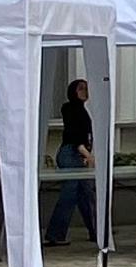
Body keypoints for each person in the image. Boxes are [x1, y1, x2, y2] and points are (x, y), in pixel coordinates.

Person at [41, 77, 96, 247]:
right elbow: (74, 135)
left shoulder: (82, 110)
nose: (85, 92)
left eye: (86, 88)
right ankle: (55, 234)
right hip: (70, 153)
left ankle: (96, 230)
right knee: (70, 193)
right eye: (81, 88)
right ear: (73, 91)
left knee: (86, 193)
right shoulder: (70, 108)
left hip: (78, 154)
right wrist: (87, 154)